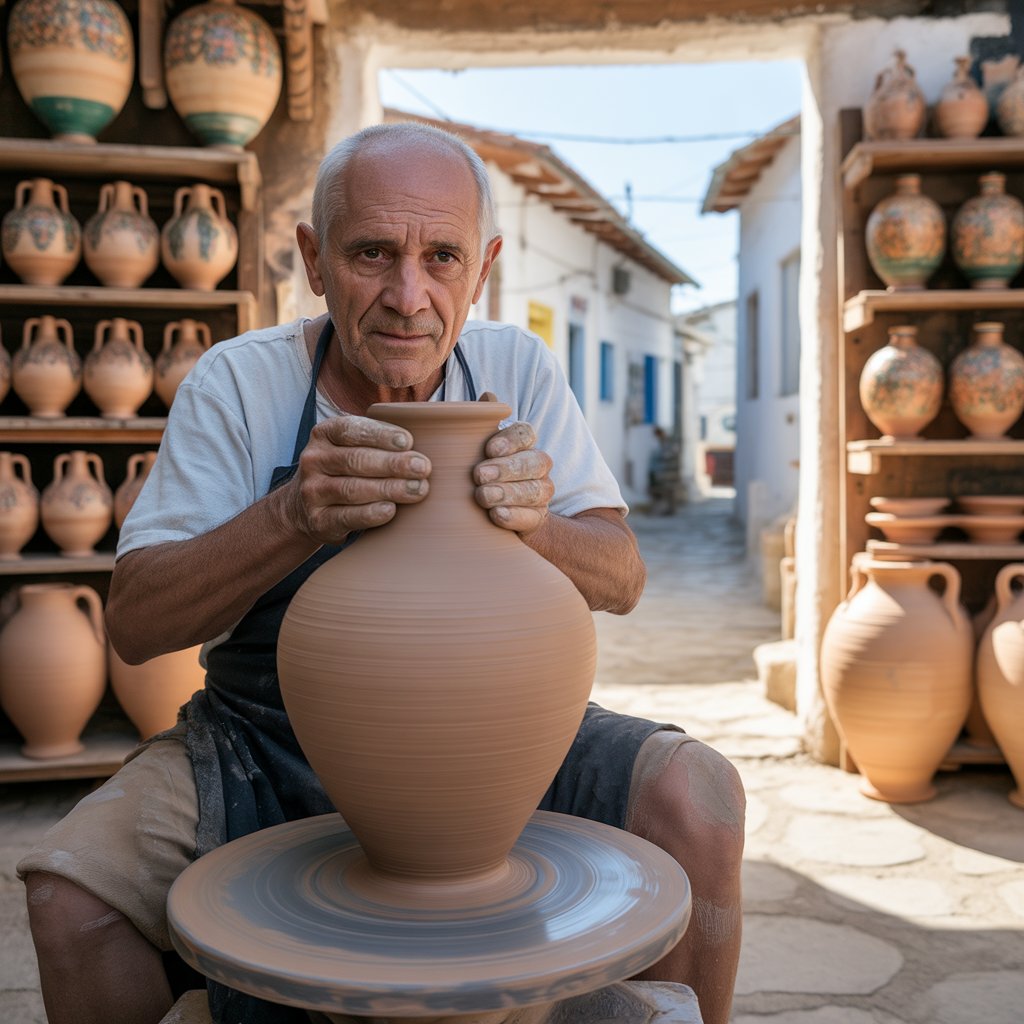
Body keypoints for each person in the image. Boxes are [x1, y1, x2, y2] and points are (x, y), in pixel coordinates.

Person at [19, 122, 745, 1024]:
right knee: (68, 896)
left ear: (482, 270)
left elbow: (623, 576)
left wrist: (537, 525)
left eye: (442, 258)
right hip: (262, 737)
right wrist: (289, 515)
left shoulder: (517, 368)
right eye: (373, 254)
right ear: (315, 261)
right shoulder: (241, 384)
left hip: (500, 736)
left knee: (697, 793)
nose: (410, 296)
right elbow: (135, 621)